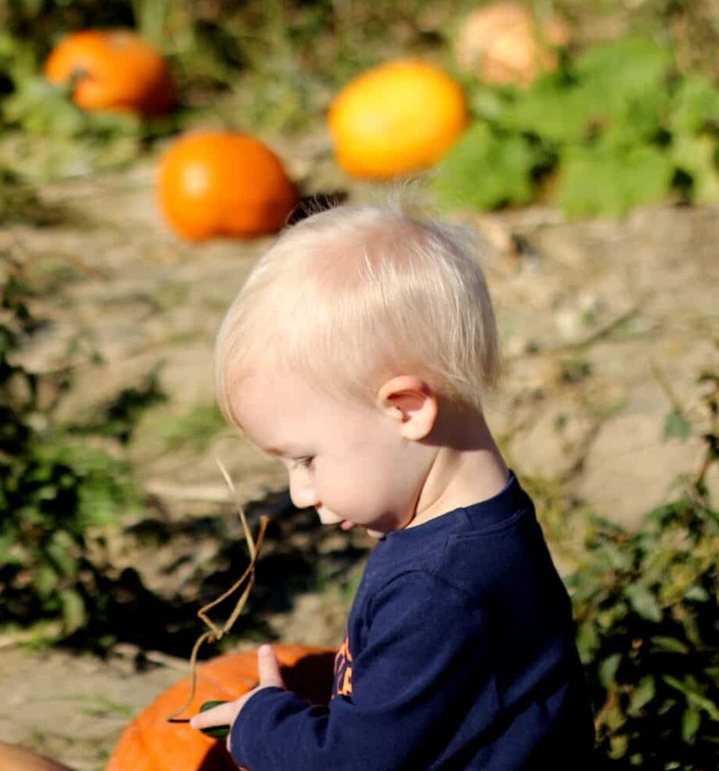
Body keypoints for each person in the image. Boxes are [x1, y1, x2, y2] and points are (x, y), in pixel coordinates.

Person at [189, 202, 593, 768]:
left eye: (306, 460)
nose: (301, 494)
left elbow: (356, 763)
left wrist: (264, 727)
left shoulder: (438, 590)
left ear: (406, 410)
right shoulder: (472, 534)